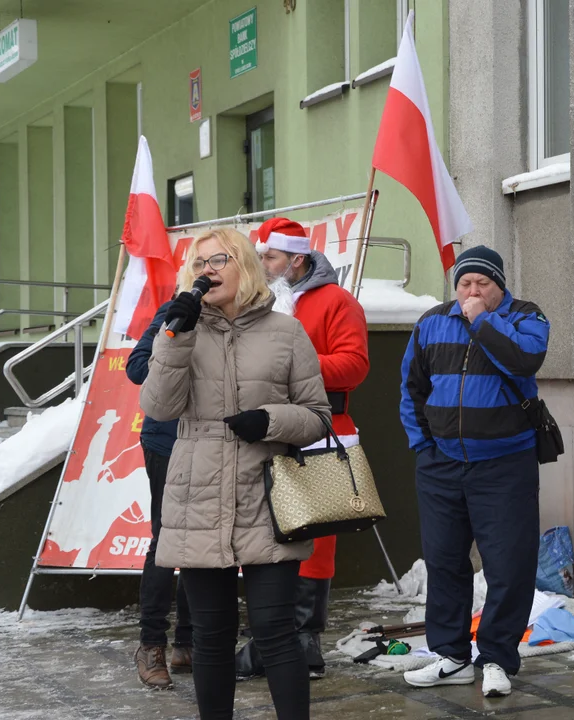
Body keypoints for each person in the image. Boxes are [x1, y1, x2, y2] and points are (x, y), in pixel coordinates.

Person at [140, 227, 331, 720]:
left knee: (275, 632)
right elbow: (158, 406)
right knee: (211, 636)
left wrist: (270, 420)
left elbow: (317, 416)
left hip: (266, 496)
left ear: (244, 264)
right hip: (198, 495)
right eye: (199, 262)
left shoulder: (286, 332)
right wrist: (174, 337)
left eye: (219, 259)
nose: (208, 269)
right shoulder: (179, 327)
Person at [398, 245, 548, 698]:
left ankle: (499, 658)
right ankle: (452, 656)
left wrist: (482, 319)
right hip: (441, 465)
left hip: (505, 466)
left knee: (508, 566)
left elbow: (525, 359)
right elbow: (411, 388)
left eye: (482, 283)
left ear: (500, 286)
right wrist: (424, 447)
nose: (472, 290)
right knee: (444, 562)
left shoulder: (526, 317)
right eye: (465, 283)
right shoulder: (431, 323)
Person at [233, 218, 370, 681]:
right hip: (264, 431)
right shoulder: (255, 304)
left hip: (319, 429)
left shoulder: (337, 301)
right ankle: (271, 640)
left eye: (269, 257)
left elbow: (354, 366)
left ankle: (304, 642)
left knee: (314, 540)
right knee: (261, 535)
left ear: (296, 259)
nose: (262, 265)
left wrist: (294, 364)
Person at [126, 298, 193, 689]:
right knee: (166, 540)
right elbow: (137, 368)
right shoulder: (176, 309)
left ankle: (188, 642)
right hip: (166, 442)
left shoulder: (242, 316)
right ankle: (151, 645)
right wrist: (175, 336)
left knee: (204, 541)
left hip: (217, 443)